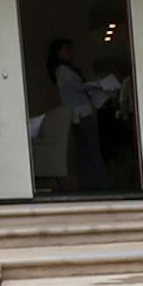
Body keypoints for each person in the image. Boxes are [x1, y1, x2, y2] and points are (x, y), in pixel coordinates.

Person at [47, 37, 123, 192]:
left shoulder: (65, 69)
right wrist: (98, 85)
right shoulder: (63, 70)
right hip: (81, 113)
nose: (69, 53)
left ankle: (88, 182)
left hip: (77, 113)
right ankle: (103, 183)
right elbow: (79, 87)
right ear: (58, 53)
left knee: (84, 149)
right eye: (66, 49)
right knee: (92, 148)